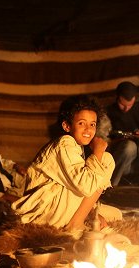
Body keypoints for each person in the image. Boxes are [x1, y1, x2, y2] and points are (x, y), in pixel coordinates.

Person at [12, 94, 122, 233]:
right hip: (45, 212)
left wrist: (92, 212)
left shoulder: (76, 147)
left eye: (92, 124)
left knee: (115, 214)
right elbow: (86, 186)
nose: (88, 129)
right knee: (105, 159)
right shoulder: (64, 143)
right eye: (81, 123)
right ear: (67, 126)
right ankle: (75, 224)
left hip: (61, 208)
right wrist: (98, 151)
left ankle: (78, 219)